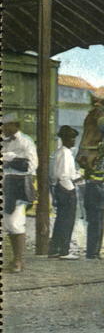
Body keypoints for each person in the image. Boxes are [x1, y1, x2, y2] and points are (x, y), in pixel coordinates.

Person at [2, 114, 38, 273]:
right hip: (7, 184)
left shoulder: (26, 142)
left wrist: (10, 160)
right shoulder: (4, 141)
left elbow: (31, 166)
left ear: (15, 125)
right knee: (9, 223)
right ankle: (16, 258)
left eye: (6, 126)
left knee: (16, 222)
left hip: (19, 185)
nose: (3, 129)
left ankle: (19, 260)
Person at [48, 125, 83, 259]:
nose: (74, 141)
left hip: (60, 187)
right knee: (67, 221)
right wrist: (79, 177)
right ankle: (64, 250)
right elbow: (63, 175)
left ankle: (54, 249)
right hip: (66, 188)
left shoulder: (58, 152)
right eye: (72, 138)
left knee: (60, 220)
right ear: (65, 139)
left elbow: (55, 174)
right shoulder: (65, 153)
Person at [83, 179, 104, 260]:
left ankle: (96, 252)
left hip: (100, 205)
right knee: (95, 229)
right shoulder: (92, 180)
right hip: (94, 205)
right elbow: (99, 191)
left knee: (100, 229)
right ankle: (92, 253)